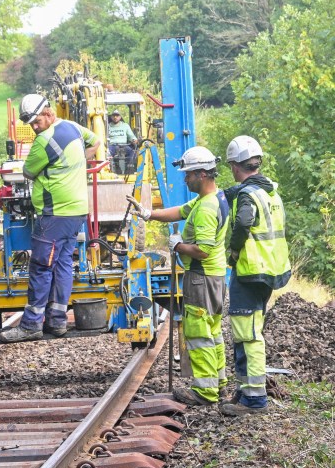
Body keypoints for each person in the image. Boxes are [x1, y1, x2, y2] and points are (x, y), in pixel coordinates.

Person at [129, 146, 229, 406]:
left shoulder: (206, 208)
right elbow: (179, 211)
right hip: (215, 278)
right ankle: (219, 385)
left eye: (189, 175)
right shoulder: (213, 199)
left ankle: (205, 392)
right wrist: (148, 214)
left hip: (201, 277)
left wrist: (176, 246)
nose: (185, 179)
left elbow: (203, 251)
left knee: (198, 334)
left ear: (203, 174)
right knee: (213, 332)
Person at [0, 94, 101, 343]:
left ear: (48, 112)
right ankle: (57, 322)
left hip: (56, 212)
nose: (34, 127)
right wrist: (79, 162)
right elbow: (95, 142)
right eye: (30, 124)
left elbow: (28, 171)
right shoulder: (71, 126)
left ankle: (31, 325)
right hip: (77, 209)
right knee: (64, 263)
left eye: (36, 121)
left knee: (42, 266)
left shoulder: (43, 141)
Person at [220, 136, 291, 416]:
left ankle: (255, 399)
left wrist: (234, 250)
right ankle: (246, 389)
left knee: (247, 335)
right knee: (251, 330)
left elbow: (244, 222)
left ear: (237, 166)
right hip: (270, 271)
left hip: (250, 271)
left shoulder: (248, 195)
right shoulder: (271, 192)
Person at [108, 109, 138, 174]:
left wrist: (134, 140)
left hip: (124, 145)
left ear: (120, 117)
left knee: (133, 152)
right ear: (111, 117)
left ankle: (129, 170)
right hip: (112, 146)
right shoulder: (107, 126)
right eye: (114, 116)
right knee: (107, 154)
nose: (115, 117)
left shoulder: (125, 126)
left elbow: (131, 136)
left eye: (117, 115)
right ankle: (110, 171)